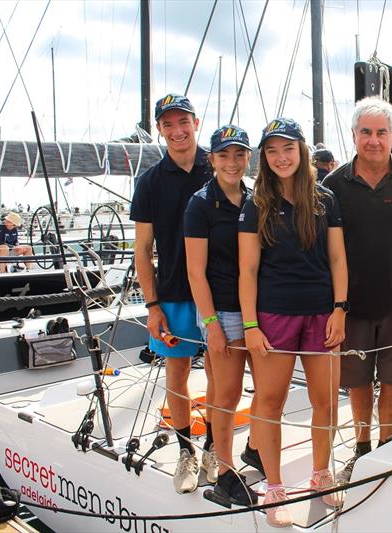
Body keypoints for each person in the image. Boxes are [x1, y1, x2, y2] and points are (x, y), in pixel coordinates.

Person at [322, 97, 392, 482]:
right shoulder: (333, 185)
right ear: (354, 135)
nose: (373, 140)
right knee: (356, 380)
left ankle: (387, 448)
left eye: (381, 132)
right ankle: (361, 447)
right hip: (350, 305)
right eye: (366, 132)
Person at [238, 117, 348, 527]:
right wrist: (250, 326)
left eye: (288, 148)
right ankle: (275, 488)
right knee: (270, 404)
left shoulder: (326, 199)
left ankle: (321, 475)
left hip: (321, 313)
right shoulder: (256, 203)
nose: (281, 157)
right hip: (274, 316)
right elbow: (247, 271)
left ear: (302, 151)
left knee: (326, 401)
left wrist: (340, 307)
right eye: (272, 150)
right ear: (264, 158)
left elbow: (337, 258)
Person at [130, 93, 216, 494]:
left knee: (222, 374)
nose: (177, 130)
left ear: (196, 123)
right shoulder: (149, 182)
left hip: (220, 294)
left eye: (183, 122)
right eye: (168, 124)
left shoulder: (221, 168)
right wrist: (151, 305)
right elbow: (142, 250)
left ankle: (216, 446)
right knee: (176, 373)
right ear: (160, 130)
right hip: (174, 294)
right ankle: (187, 450)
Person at [184, 124, 259, 506]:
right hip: (224, 311)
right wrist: (210, 323)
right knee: (227, 392)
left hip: (258, 309)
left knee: (266, 388)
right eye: (224, 155)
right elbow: (195, 272)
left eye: (239, 154)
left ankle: (254, 450)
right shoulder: (200, 204)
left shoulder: (256, 198)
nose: (233, 162)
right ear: (211, 159)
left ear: (249, 157)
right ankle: (227, 473)